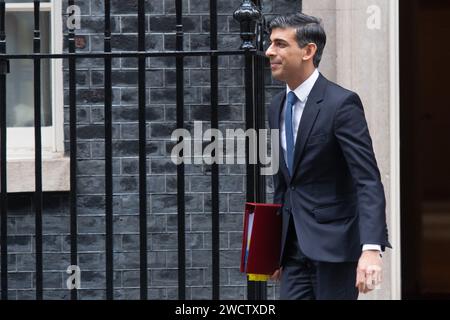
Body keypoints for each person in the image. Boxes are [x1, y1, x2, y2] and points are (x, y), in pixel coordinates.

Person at [265, 12, 391, 300]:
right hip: (294, 251)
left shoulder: (341, 104)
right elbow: (284, 183)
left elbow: (367, 180)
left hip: (336, 250)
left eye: (281, 44)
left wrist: (371, 249)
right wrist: (275, 246)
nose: (269, 51)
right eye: (271, 43)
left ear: (308, 51)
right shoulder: (276, 106)